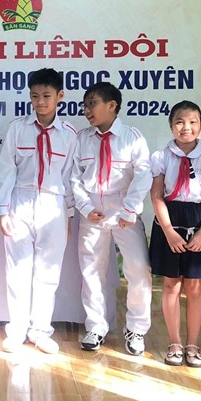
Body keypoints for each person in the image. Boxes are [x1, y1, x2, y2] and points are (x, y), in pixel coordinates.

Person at [0, 68, 78, 355]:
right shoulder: (17, 129)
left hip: (53, 205)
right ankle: (17, 330)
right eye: (35, 96)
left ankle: (40, 330)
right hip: (20, 201)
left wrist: (68, 216)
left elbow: (70, 178)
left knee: (48, 272)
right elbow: (6, 170)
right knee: (17, 271)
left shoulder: (69, 135)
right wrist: (2, 210)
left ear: (60, 96)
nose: (40, 102)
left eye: (46, 96)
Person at [72, 82, 152, 356]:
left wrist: (130, 210)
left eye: (92, 104)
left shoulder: (132, 137)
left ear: (112, 105)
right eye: (85, 105)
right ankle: (96, 326)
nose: (87, 111)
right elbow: (74, 176)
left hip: (123, 209)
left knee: (138, 268)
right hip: (92, 210)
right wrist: (85, 206)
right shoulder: (82, 138)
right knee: (91, 270)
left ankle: (136, 328)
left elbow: (143, 175)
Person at [149, 101, 201, 368]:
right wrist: (168, 231)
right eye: (180, 122)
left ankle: (192, 344)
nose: (186, 127)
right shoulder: (160, 157)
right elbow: (156, 195)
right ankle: (174, 343)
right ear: (171, 126)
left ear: (200, 125)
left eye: (193, 122)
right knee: (171, 284)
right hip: (169, 222)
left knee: (194, 285)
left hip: (199, 222)